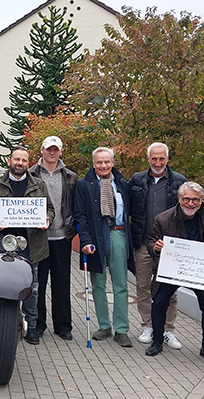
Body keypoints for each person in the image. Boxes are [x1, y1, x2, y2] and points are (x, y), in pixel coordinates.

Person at [0, 145, 53, 345]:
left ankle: (32, 327)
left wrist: (47, 219)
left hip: (32, 241)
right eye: (16, 159)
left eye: (23, 160)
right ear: (9, 161)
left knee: (33, 285)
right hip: (4, 238)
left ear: (28, 163)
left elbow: (50, 209)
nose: (20, 163)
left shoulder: (39, 185)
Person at [142, 182, 204, 363]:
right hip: (174, 268)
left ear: (202, 200)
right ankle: (157, 341)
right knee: (159, 301)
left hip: (201, 269)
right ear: (179, 199)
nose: (190, 203)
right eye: (186, 199)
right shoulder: (163, 219)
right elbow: (151, 242)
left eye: (195, 200)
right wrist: (156, 247)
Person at [128, 142, 187, 349]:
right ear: (148, 159)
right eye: (154, 158)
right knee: (142, 287)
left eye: (162, 158)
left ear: (167, 159)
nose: (158, 162)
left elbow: (193, 206)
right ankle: (148, 326)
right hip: (143, 243)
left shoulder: (179, 181)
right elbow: (127, 207)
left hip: (170, 247)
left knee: (169, 291)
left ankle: (169, 330)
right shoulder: (137, 180)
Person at [74, 147, 134, 347]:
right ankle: (104, 326)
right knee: (98, 284)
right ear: (94, 164)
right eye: (99, 162)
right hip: (95, 236)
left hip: (118, 233)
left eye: (107, 161)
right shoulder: (83, 185)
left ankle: (122, 329)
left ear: (112, 163)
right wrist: (85, 240)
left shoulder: (122, 184)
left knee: (120, 284)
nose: (103, 165)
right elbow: (80, 215)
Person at [28, 136, 77, 341]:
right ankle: (38, 324)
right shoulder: (31, 174)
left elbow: (74, 205)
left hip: (61, 237)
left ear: (60, 152)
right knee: (37, 284)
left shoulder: (70, 177)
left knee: (62, 283)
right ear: (42, 149)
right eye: (49, 149)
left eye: (56, 149)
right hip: (38, 238)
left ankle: (63, 326)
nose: (52, 152)